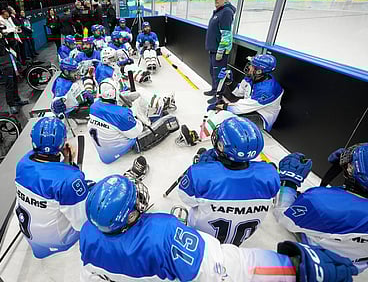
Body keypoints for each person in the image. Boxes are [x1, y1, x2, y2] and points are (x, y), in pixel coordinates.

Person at [80, 174, 358, 282]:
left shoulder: (87, 236)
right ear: (129, 217)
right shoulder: (162, 234)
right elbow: (228, 267)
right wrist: (291, 268)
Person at [177, 117, 280, 246]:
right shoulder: (270, 175)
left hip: (201, 240)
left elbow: (185, 197)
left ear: (221, 145)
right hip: (238, 244)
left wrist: (203, 166)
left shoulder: (200, 175)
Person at [273, 144, 368, 273]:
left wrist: (288, 181)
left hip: (313, 262)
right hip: (352, 267)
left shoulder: (320, 202)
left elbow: (284, 215)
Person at [15, 117, 90, 258]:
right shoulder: (69, 179)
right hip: (59, 241)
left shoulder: (22, 163)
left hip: (31, 235)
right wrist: (71, 166)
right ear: (63, 142)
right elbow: (81, 223)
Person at [88, 78, 178, 164]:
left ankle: (159, 103)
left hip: (105, 152)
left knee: (137, 99)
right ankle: (161, 104)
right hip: (124, 148)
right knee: (169, 119)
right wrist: (134, 114)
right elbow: (137, 131)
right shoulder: (122, 114)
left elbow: (112, 110)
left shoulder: (94, 106)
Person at [209, 54, 284, 131]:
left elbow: (239, 109)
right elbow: (237, 93)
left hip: (261, 117)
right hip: (248, 107)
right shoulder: (251, 78)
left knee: (225, 118)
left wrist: (222, 107)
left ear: (259, 71)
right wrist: (228, 82)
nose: (249, 66)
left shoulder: (268, 90)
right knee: (220, 112)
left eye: (252, 65)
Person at [204, 0, 236, 97]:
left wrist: (220, 51)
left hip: (219, 52)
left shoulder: (226, 12)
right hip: (213, 50)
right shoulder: (219, 11)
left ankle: (219, 96)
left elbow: (226, 34)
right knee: (213, 72)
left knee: (219, 75)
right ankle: (214, 90)